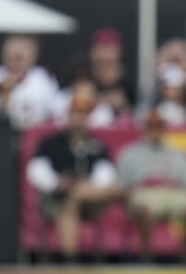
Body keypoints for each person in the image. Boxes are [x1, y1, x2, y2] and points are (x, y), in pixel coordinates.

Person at [24, 92, 120, 260]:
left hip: (89, 198)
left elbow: (106, 175)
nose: (79, 118)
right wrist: (56, 182)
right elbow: (36, 170)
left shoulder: (96, 145)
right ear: (68, 115)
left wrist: (82, 186)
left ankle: (69, 260)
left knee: (103, 190)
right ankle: (70, 259)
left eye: (83, 114)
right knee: (68, 204)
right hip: (55, 197)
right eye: (76, 113)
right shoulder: (51, 142)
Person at [116, 109, 186, 261]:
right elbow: (124, 186)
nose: (155, 131)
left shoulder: (177, 153)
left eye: (158, 127)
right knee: (145, 207)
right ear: (145, 129)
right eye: (151, 127)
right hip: (144, 192)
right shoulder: (130, 153)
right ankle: (146, 255)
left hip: (171, 192)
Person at [0, 34, 59, 129]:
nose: (16, 64)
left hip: (35, 132)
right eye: (12, 58)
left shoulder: (43, 78)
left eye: (20, 59)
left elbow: (54, 112)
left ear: (32, 58)